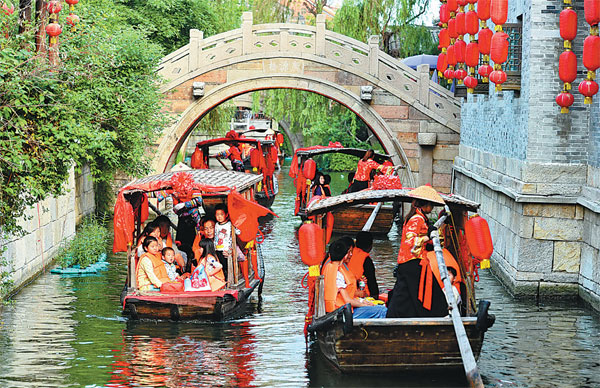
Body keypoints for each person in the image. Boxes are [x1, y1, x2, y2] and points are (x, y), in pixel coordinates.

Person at [387, 185, 449, 318]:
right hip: (413, 262)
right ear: (424, 204)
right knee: (424, 290)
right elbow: (410, 242)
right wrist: (428, 236)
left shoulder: (418, 217)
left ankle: (397, 317)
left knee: (405, 293)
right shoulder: (417, 219)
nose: (431, 208)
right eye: (430, 205)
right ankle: (435, 315)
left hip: (410, 261)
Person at [322, 238, 388, 318]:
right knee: (382, 311)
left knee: (378, 306)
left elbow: (347, 297)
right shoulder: (338, 273)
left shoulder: (332, 268)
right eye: (349, 252)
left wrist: (363, 302)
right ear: (344, 254)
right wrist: (364, 305)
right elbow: (348, 301)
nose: (351, 255)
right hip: (341, 313)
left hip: (341, 310)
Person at [348, 231, 380, 300]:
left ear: (356, 243)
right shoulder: (366, 259)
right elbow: (372, 282)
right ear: (371, 246)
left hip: (348, 292)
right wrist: (376, 298)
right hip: (361, 295)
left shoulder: (348, 254)